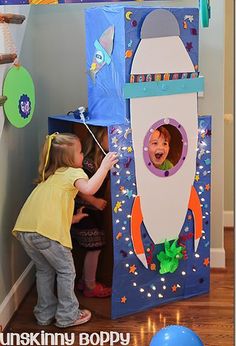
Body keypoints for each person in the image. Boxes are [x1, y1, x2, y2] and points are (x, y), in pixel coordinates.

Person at [12, 132, 118, 328]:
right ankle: (68, 315)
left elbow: (48, 210)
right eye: (79, 152)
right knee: (67, 271)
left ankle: (44, 314)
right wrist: (104, 167)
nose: (81, 156)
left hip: (26, 231)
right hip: (46, 234)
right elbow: (89, 189)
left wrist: (73, 218)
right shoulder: (73, 172)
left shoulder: (51, 176)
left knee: (44, 271)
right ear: (69, 159)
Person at [71, 126, 112, 298]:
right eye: (109, 137)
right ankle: (90, 285)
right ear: (98, 139)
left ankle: (85, 280)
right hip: (82, 210)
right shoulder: (88, 162)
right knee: (94, 246)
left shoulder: (102, 159)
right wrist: (94, 201)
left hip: (93, 211)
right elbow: (78, 187)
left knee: (95, 245)